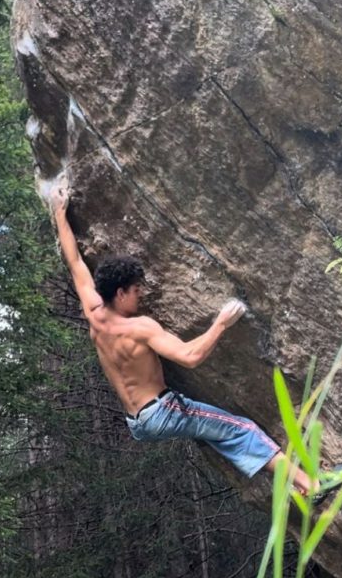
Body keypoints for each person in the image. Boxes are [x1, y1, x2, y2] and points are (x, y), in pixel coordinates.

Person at [50, 184, 325, 497]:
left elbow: (75, 262)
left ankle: (297, 486)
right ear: (121, 292)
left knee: (222, 432)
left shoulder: (94, 313)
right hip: (162, 412)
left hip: (137, 423)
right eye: (136, 291)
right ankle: (312, 484)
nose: (141, 295)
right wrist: (221, 323)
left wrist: (60, 212)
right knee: (243, 429)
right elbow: (189, 357)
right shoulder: (140, 328)